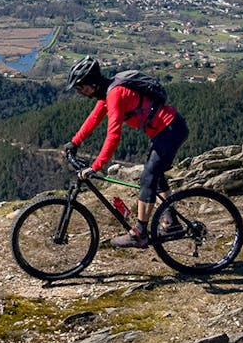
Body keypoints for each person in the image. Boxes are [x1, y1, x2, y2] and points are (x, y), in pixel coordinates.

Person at [61, 57, 188, 248]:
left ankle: (140, 233)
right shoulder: (106, 93)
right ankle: (172, 224)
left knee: (148, 177)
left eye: (80, 87)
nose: (80, 92)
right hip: (164, 131)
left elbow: (113, 136)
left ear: (92, 84)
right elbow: (94, 118)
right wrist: (74, 142)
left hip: (170, 130)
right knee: (155, 175)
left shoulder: (115, 94)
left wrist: (95, 166)